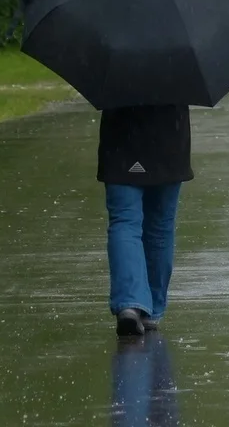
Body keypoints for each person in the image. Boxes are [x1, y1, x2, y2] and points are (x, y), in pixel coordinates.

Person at [98, 104, 193, 336]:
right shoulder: (178, 67)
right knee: (160, 227)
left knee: (124, 222)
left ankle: (130, 303)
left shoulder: (116, 68)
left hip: (121, 137)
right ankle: (151, 310)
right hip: (170, 135)